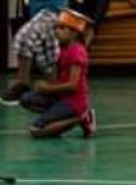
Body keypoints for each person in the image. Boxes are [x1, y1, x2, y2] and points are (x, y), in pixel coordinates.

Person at [19, 8, 96, 138]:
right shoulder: (62, 49)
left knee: (36, 130)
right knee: (26, 99)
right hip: (61, 97)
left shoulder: (77, 52)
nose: (56, 31)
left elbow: (73, 85)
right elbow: (56, 76)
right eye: (56, 28)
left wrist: (47, 89)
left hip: (73, 102)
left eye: (62, 28)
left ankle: (80, 117)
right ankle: (58, 115)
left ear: (74, 33)